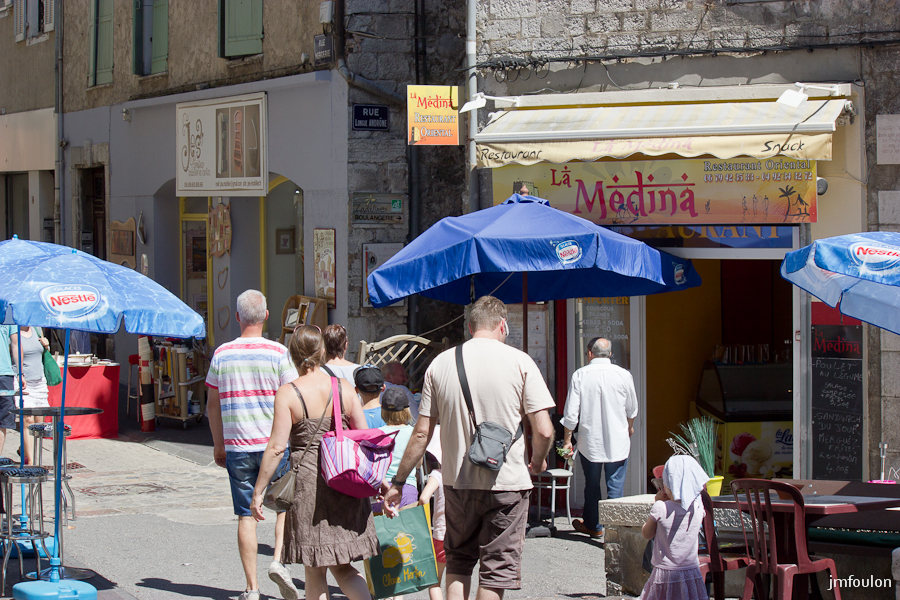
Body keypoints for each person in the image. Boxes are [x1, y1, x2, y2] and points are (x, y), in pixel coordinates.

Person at [383, 295, 556, 600]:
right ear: (503, 325)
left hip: (456, 483)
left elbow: (421, 434)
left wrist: (398, 482)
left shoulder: (441, 364)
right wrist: (538, 462)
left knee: (459, 562)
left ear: (470, 325)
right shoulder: (520, 362)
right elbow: (543, 430)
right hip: (507, 484)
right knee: (495, 571)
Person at [250, 325, 376, 600]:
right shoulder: (343, 388)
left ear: (292, 355)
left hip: (308, 488)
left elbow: (275, 449)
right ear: (321, 352)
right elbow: (363, 436)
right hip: (343, 480)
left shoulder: (287, 393)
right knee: (343, 567)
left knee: (314, 569)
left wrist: (259, 491)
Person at [206, 290, 299, 600]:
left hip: (238, 446)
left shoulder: (221, 354)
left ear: (237, 317)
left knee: (246, 515)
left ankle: (252, 588)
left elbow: (213, 405)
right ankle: (277, 563)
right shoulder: (279, 353)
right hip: (275, 444)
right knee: (282, 508)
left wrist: (218, 444)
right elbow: (293, 397)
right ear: (267, 316)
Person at [561, 337, 638, 538]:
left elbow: (571, 414)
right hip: (618, 441)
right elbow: (632, 409)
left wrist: (568, 438)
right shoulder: (624, 375)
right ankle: (614, 534)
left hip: (589, 441)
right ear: (610, 354)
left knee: (592, 485)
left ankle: (594, 526)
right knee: (616, 486)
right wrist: (629, 428)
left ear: (589, 353)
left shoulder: (581, 375)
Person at [638, 455, 709, 600]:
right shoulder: (698, 505)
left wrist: (658, 501)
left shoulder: (661, 507)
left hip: (665, 572)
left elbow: (647, 533)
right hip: (691, 571)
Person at [371, 387, 417, 513]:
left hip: (381, 489)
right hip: (407, 487)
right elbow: (418, 465)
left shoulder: (377, 434)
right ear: (407, 410)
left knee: (381, 530)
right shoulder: (414, 433)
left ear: (383, 410)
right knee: (407, 531)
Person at [10, 326, 51, 465]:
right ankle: (33, 463)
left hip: (39, 381)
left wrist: (46, 345)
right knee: (28, 420)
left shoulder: (37, 329)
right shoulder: (13, 330)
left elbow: (42, 353)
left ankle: (24, 448)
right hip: (22, 381)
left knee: (40, 424)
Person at [419, 428, 446, 600]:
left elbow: (423, 498)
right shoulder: (465, 475)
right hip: (463, 533)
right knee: (458, 576)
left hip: (441, 533)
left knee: (434, 581)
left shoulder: (438, 474)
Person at [0, 325, 17, 454]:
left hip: (4, 373)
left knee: (3, 420)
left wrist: (20, 372)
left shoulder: (8, 313)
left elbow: (15, 345)